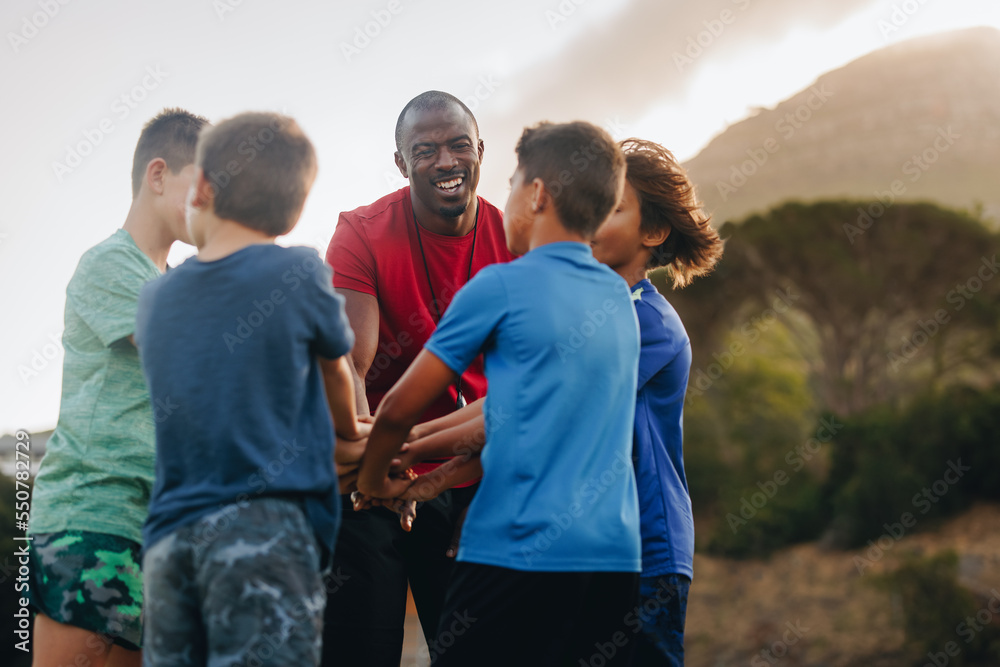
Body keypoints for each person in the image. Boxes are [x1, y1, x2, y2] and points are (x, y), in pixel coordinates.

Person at [358, 121, 642, 666]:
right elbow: (522, 421)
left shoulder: (499, 285)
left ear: (536, 195)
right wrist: (427, 481)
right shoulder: (617, 297)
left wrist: (373, 482)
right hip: (612, 561)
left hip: (514, 554)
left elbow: (396, 408)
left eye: (512, 183)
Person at [134, 112, 368, 667]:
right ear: (293, 210)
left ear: (204, 189)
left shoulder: (156, 298)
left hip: (168, 540)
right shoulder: (300, 272)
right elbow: (337, 366)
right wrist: (347, 427)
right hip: (264, 530)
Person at [322, 90, 514, 665]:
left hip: (478, 471)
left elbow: (520, 388)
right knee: (362, 647)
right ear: (402, 164)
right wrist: (373, 465)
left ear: (480, 149)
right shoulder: (360, 232)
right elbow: (350, 366)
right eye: (425, 150)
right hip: (373, 470)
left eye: (458, 146)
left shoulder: (519, 243)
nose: (446, 162)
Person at [27, 108, 208, 667]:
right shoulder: (110, 264)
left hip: (148, 526)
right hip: (94, 518)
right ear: (158, 176)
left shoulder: (169, 284)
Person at [590, 138, 724, 666]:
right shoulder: (596, 313)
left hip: (648, 550)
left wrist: (414, 452)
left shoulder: (648, 322)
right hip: (599, 547)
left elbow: (541, 412)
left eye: (611, 207)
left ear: (653, 232)